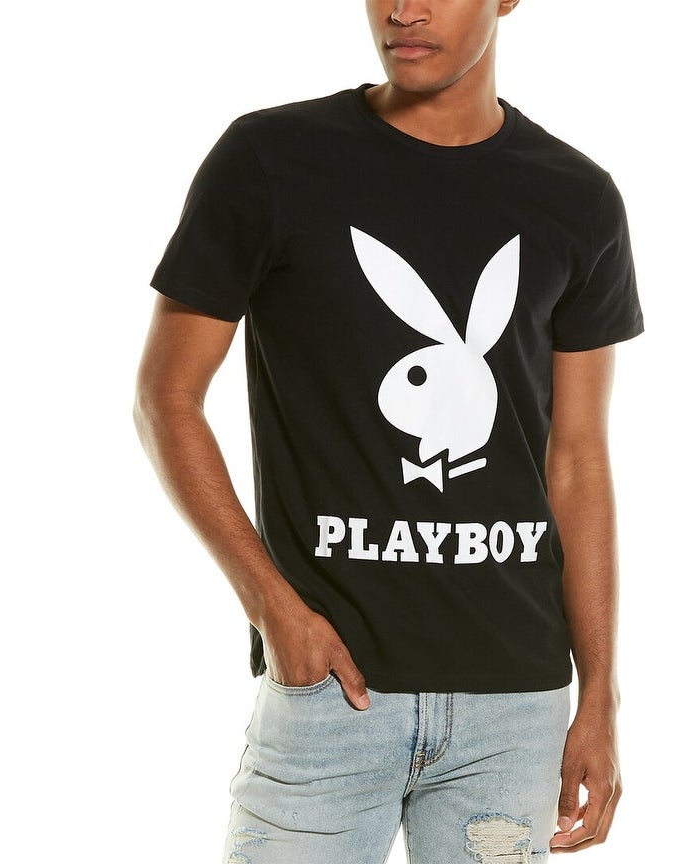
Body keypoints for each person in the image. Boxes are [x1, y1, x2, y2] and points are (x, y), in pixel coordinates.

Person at [134, 1, 643, 860]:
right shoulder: (271, 160)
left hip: (513, 710)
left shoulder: (577, 199)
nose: (404, 10)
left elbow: (579, 459)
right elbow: (166, 399)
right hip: (331, 692)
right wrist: (273, 609)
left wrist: (600, 693)